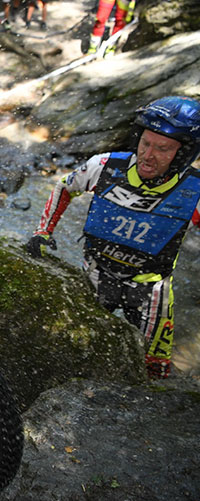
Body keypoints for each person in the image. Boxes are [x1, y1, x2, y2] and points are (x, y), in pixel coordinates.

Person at [25, 96, 200, 380]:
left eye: (163, 148)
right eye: (145, 143)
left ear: (184, 154)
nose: (148, 155)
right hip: (95, 275)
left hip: (151, 289)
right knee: (74, 350)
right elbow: (65, 187)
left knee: (155, 368)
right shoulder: (104, 166)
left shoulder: (195, 192)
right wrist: (43, 231)